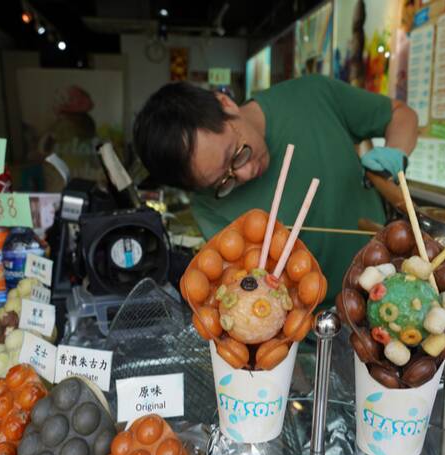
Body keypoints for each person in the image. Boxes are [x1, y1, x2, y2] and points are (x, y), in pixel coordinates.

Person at [133, 74, 419, 302]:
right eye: (224, 182)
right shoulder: (208, 206)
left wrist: (394, 153)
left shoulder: (312, 95)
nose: (245, 173)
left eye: (236, 154)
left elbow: (400, 114)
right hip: (309, 331)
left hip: (390, 289)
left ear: (226, 105)